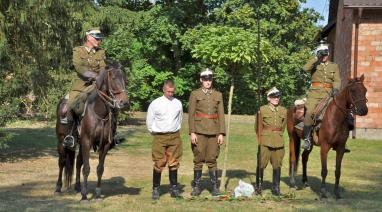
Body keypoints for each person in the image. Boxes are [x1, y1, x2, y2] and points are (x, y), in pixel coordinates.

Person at [61, 27, 106, 147]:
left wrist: (100, 77)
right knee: (71, 104)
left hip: (97, 85)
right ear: (89, 37)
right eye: (97, 38)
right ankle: (70, 135)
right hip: (81, 85)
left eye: (100, 38)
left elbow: (103, 67)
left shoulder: (101, 52)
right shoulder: (78, 50)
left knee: (111, 102)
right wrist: (92, 76)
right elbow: (78, 66)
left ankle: (110, 134)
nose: (99, 41)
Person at [188, 68, 226, 197]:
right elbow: (191, 115)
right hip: (199, 131)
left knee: (212, 158)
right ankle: (197, 187)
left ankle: (215, 187)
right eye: (205, 80)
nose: (208, 82)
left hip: (214, 132)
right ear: (201, 80)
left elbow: (221, 115)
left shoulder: (218, 95)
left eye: (210, 79)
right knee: (198, 158)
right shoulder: (195, 94)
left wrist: (221, 133)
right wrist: (192, 132)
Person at [146, 79, 183, 200]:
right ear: (163, 90)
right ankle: (156, 189)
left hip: (174, 136)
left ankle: (174, 189)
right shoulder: (155, 104)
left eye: (172, 92)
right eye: (168, 91)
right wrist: (155, 132)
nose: (171, 94)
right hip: (160, 137)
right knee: (159, 162)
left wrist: (175, 130)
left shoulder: (178, 103)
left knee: (174, 163)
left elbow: (180, 119)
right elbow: (149, 121)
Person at [301, 41, 341, 150]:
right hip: (314, 94)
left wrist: (336, 89)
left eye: (326, 54)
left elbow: (337, 80)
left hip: (329, 94)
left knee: (340, 111)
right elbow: (304, 68)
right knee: (309, 112)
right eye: (322, 54)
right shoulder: (314, 64)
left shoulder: (334, 66)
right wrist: (315, 58)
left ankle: (341, 139)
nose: (324, 56)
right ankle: (307, 139)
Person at [254, 87, 287, 196]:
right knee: (261, 163)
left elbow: (283, 127)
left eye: (278, 96)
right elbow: (257, 127)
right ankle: (258, 187)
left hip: (279, 141)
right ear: (269, 98)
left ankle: (276, 188)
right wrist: (262, 138)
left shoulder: (283, 110)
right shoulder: (262, 110)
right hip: (265, 141)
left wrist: (277, 134)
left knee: (277, 164)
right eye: (274, 97)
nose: (277, 99)